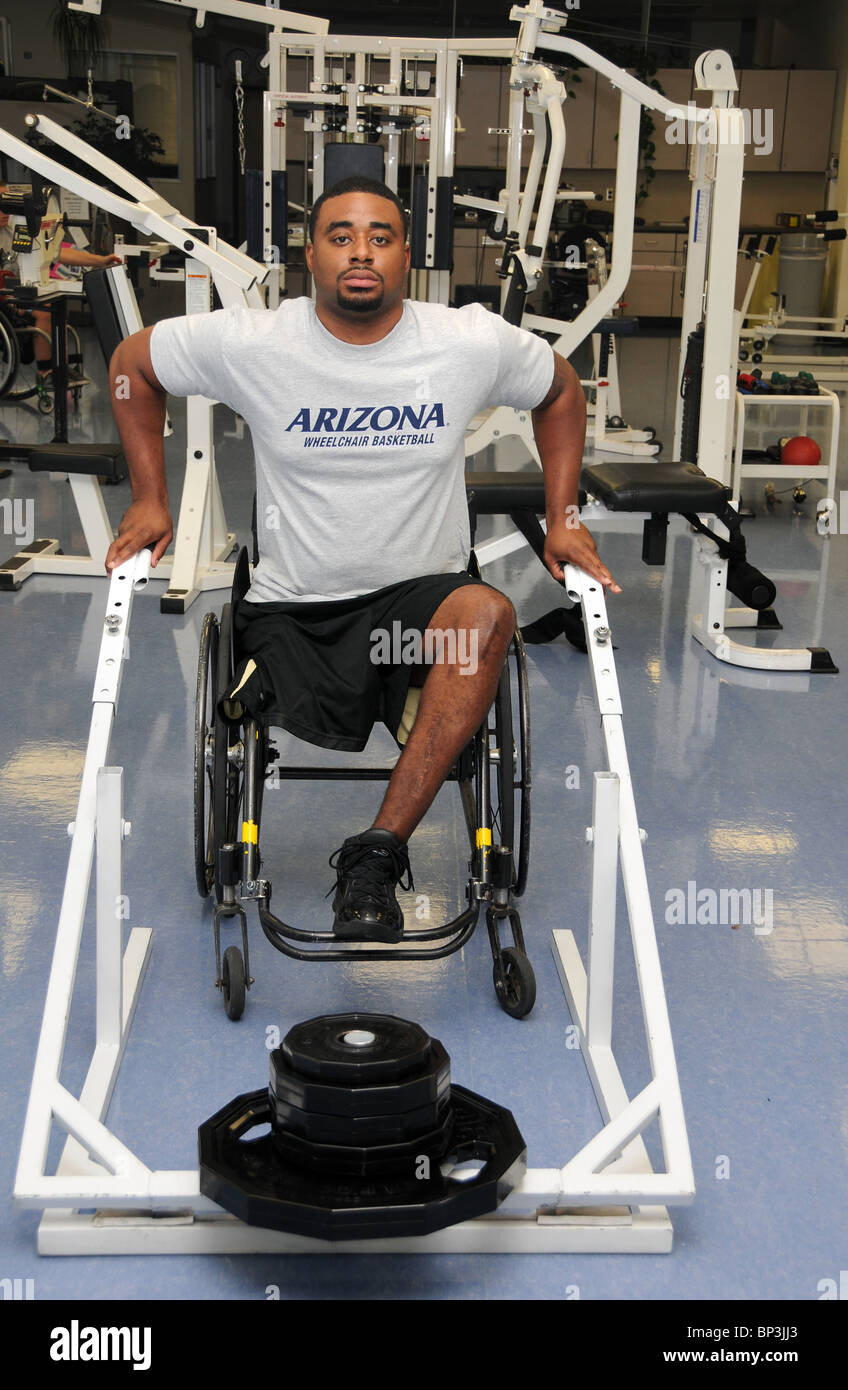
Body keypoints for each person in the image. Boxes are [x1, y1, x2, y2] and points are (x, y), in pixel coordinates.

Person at [104, 176, 620, 942]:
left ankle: (375, 856)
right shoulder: (256, 341)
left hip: (421, 614)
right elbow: (131, 364)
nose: (361, 252)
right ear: (309, 254)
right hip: (293, 615)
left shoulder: (463, 341)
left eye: (380, 236)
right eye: (341, 235)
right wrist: (151, 497)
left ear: (406, 255)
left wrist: (563, 515)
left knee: (489, 612)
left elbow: (562, 390)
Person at [0, 185, 122, 382]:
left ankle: (62, 369)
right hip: (5, 299)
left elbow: (56, 252)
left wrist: (100, 260)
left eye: (9, 205)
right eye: (3, 206)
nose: (7, 211)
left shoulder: (14, 230)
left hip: (15, 292)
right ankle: (46, 371)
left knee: (58, 305)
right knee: (45, 310)